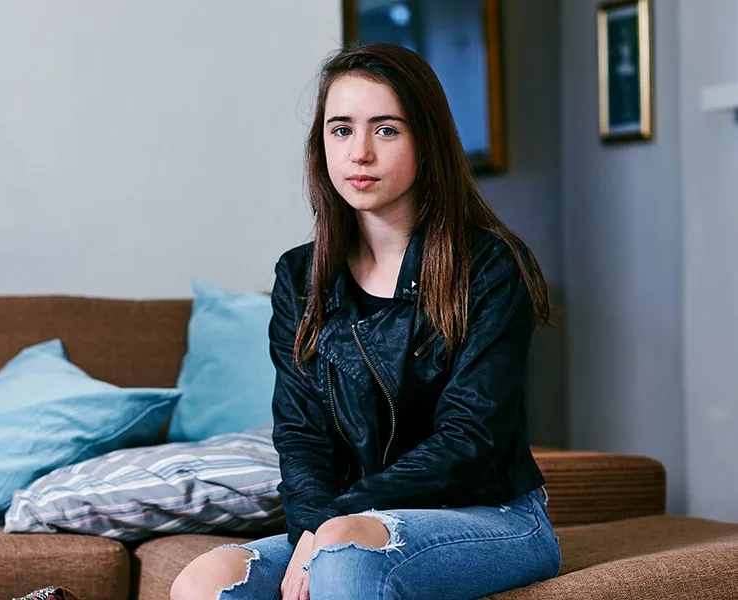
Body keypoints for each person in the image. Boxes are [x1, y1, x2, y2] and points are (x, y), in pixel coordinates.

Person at [171, 42, 561, 600]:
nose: (359, 153)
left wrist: (335, 525)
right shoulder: (299, 276)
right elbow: (301, 438)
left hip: (491, 516)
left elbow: (470, 436)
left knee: (345, 555)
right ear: (320, 145)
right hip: (346, 525)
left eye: (385, 130)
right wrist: (312, 530)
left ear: (426, 142)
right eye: (340, 129)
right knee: (204, 581)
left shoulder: (491, 265)